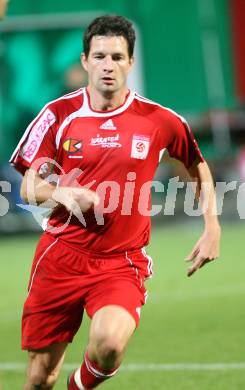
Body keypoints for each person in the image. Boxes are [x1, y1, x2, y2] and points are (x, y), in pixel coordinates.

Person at [10, 15, 221, 390]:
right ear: (85, 60)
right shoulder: (57, 115)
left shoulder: (160, 120)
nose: (109, 65)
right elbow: (27, 186)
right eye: (101, 56)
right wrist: (61, 193)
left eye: (118, 57)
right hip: (61, 256)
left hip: (121, 262)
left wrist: (212, 225)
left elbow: (195, 164)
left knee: (108, 344)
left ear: (131, 62)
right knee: (41, 377)